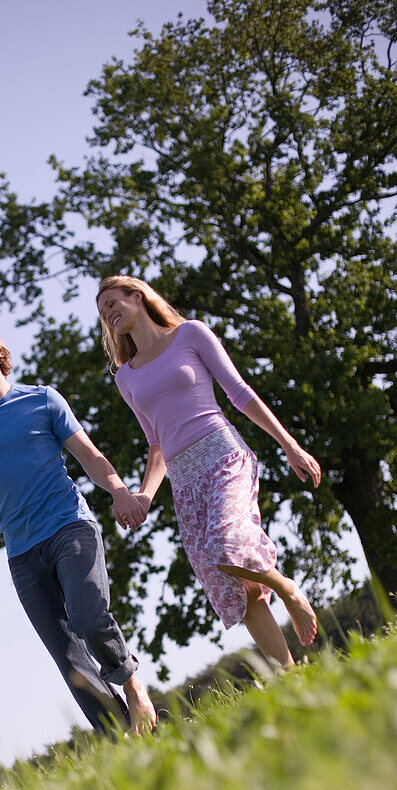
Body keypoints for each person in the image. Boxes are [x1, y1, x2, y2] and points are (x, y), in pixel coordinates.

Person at [0, 322, 157, 736]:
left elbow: (90, 456)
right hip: (23, 553)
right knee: (68, 657)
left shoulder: (42, 400)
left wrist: (118, 491)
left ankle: (132, 683)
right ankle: (122, 740)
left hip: (68, 526)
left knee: (89, 617)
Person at [96, 275, 322, 668]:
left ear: (137, 296)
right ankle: (292, 683)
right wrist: (145, 495)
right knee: (234, 586)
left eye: (113, 303)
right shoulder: (126, 376)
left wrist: (290, 445)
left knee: (224, 545)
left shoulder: (190, 335)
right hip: (184, 481)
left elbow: (239, 392)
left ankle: (287, 589)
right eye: (103, 312)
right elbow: (156, 444)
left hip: (222, 457)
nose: (109, 313)